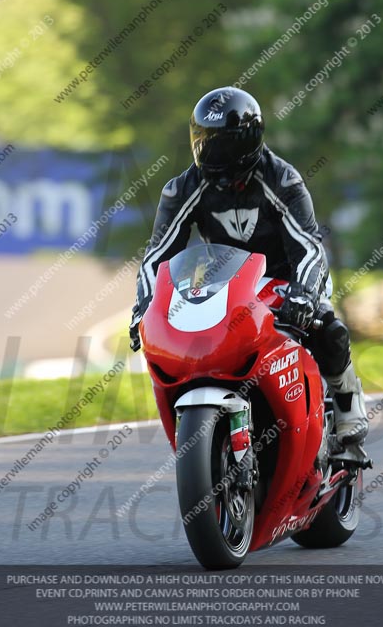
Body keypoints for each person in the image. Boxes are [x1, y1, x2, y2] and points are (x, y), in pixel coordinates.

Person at [129, 87, 368, 446]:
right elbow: (157, 254)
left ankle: (348, 404)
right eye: (205, 142)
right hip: (226, 284)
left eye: (222, 145)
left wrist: (304, 296)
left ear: (249, 141)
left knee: (328, 328)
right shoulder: (182, 189)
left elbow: (309, 246)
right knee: (199, 345)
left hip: (290, 278)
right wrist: (143, 308)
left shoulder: (282, 179)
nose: (212, 154)